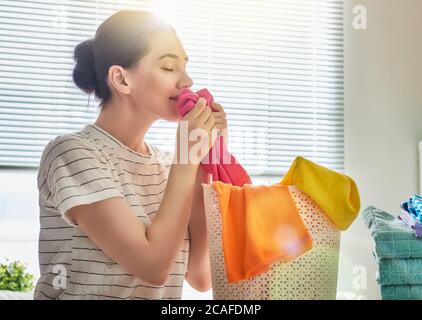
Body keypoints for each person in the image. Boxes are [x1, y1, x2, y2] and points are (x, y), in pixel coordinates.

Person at [34, 9, 228, 300]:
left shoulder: (169, 166)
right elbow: (152, 266)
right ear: (121, 80)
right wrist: (187, 159)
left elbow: (201, 277)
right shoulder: (71, 154)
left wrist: (208, 156)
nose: (187, 81)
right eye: (168, 67)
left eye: (185, 66)